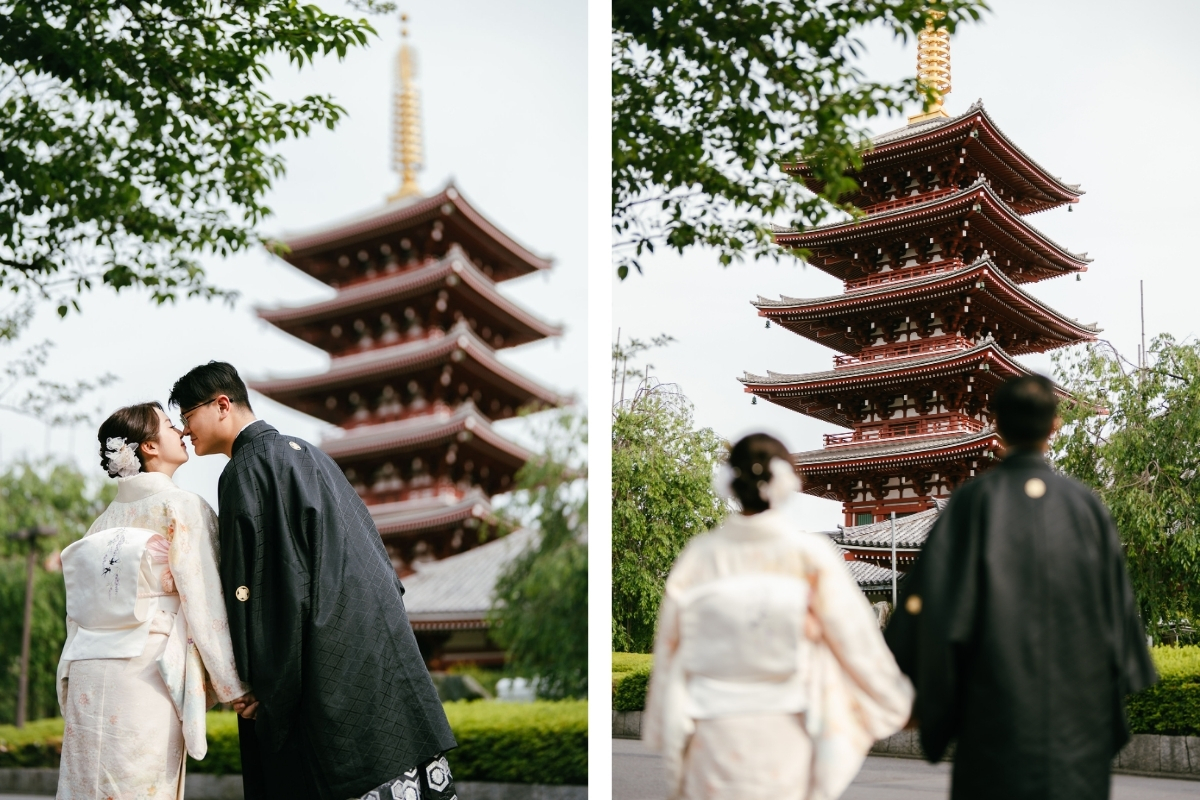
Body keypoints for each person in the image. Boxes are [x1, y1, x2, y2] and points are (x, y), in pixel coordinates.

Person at [169, 361, 457, 800]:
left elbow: (262, 590)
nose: (186, 432)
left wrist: (256, 684)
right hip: (375, 642)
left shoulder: (246, 470)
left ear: (222, 404)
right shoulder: (309, 453)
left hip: (321, 665)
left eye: (188, 417)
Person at [884, 374, 1158, 800]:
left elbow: (929, 606)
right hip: (1076, 730)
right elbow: (1117, 612)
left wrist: (916, 692)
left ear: (996, 424)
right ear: (1055, 426)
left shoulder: (971, 504)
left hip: (992, 724)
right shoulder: (1086, 507)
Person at [643, 432, 914, 800]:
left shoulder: (700, 557)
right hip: (788, 733)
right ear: (786, 483)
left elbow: (670, 648)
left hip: (712, 733)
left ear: (729, 483)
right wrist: (899, 700)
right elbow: (856, 642)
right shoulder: (810, 555)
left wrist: (664, 725)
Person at [56, 402, 248, 799]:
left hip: (89, 670)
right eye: (167, 425)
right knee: (139, 784)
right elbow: (204, 600)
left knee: (89, 784)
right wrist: (233, 685)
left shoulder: (99, 524)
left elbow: (77, 613)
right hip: (146, 671)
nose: (180, 430)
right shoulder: (181, 506)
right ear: (149, 447)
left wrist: (67, 676)